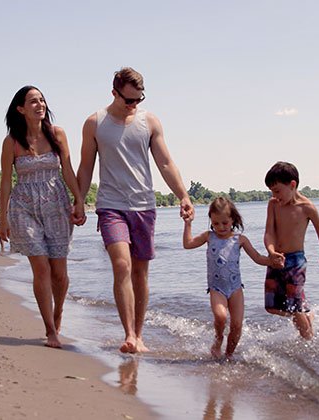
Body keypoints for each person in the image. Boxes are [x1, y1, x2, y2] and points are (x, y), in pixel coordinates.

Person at [76, 67, 194, 353]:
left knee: (140, 272)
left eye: (138, 100)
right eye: (128, 100)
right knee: (121, 264)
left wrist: (183, 195)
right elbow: (86, 166)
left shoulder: (149, 122)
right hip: (110, 206)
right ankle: (128, 334)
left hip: (144, 205)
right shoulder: (95, 123)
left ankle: (139, 335)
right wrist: (79, 200)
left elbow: (165, 163)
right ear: (114, 92)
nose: (133, 105)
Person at [0, 85, 86, 348]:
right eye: (33, 101)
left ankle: (58, 311)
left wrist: (79, 200)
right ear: (21, 109)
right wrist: (3, 217)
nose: (40, 105)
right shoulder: (11, 141)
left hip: (56, 204)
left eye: (42, 100)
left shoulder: (57, 134)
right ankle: (50, 329)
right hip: (23, 206)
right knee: (41, 267)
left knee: (59, 272)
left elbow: (68, 170)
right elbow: (5, 181)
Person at [183, 197, 284, 358]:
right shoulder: (209, 237)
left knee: (237, 325)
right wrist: (188, 223)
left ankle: (228, 355)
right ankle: (218, 337)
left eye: (225, 223)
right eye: (216, 223)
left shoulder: (240, 240)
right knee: (221, 316)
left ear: (233, 219)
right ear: (211, 221)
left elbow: (258, 258)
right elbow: (188, 244)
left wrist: (272, 261)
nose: (220, 227)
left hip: (235, 288)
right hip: (217, 288)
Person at [263, 162, 319, 340]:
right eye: (272, 191)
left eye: (277, 191)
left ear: (292, 185)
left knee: (294, 307)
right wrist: (271, 252)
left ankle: (309, 342)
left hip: (295, 262)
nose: (274, 195)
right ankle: (305, 314)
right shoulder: (273, 205)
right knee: (271, 307)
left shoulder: (307, 207)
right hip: (276, 260)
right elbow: (269, 232)